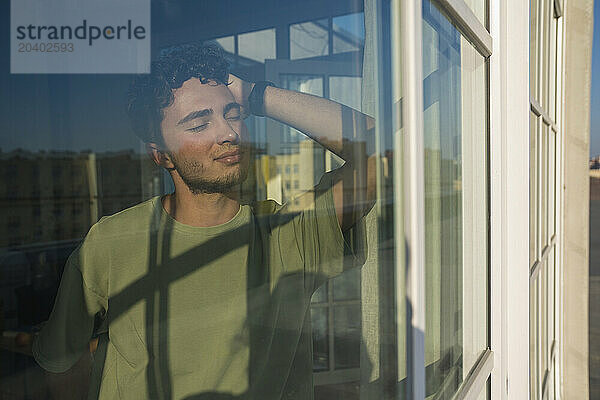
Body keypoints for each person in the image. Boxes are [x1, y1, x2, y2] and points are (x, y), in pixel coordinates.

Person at [32, 43, 376, 400]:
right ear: (162, 154)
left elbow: (382, 153)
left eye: (232, 113)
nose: (228, 133)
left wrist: (257, 96)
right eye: (199, 124)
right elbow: (62, 362)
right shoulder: (112, 241)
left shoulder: (286, 234)